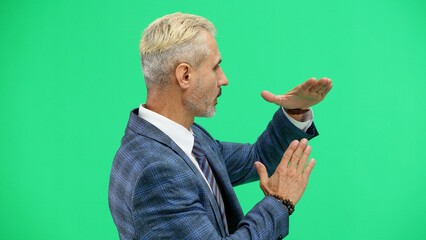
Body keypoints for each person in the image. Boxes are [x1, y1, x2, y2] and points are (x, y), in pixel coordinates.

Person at [108, 12, 332, 240]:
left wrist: (295, 111)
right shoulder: (158, 171)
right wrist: (279, 203)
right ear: (185, 75)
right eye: (215, 67)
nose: (223, 78)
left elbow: (257, 157)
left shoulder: (184, 137)